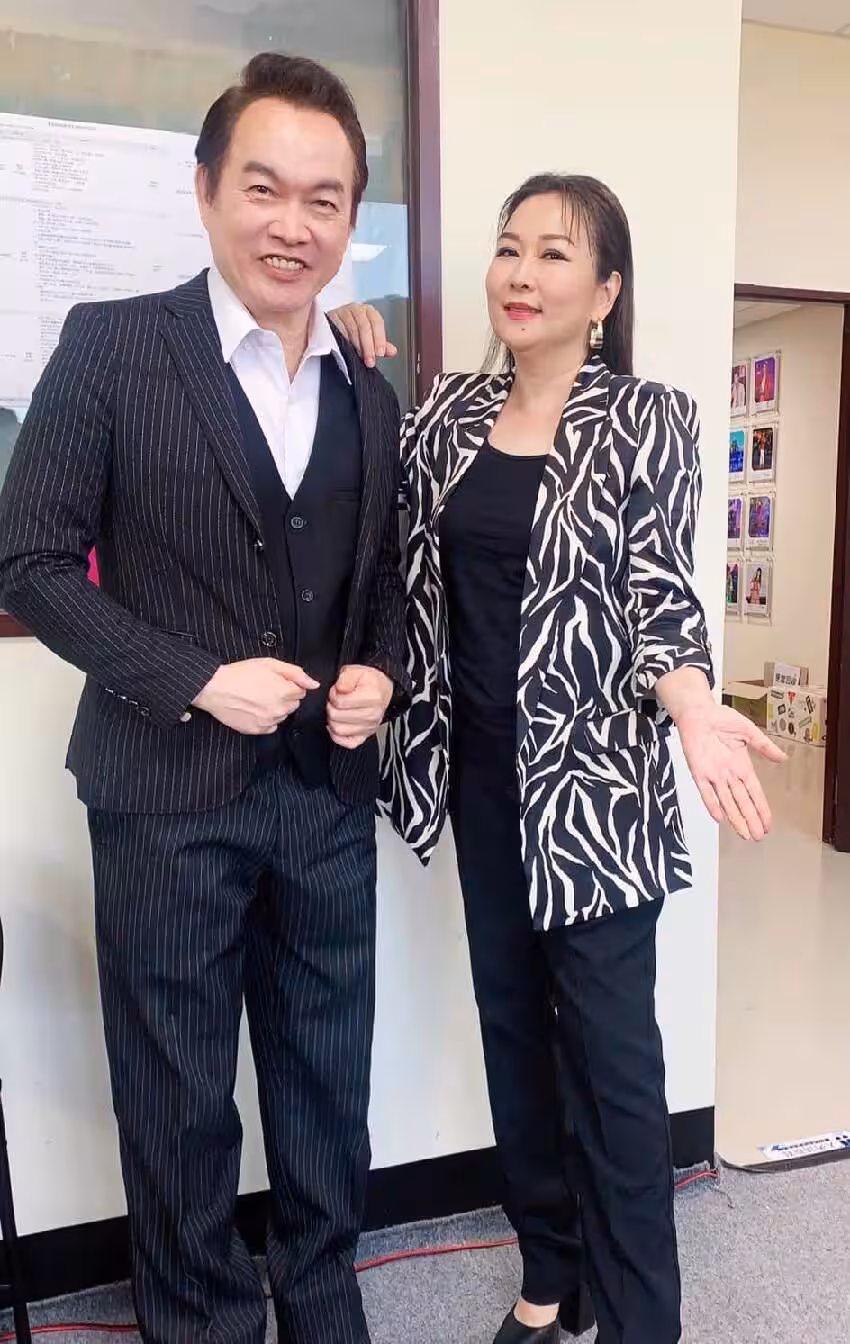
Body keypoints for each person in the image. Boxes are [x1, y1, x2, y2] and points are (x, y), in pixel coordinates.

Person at [331, 173, 785, 1344]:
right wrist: (343, 344)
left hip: (595, 797)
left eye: (553, 254)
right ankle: (551, 1274)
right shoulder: (443, 416)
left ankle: (641, 1321)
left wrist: (692, 704)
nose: (520, 275)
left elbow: (657, 593)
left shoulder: (647, 418)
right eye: (509, 248)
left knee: (616, 1076)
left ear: (605, 291)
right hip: (479, 785)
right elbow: (395, 571)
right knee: (514, 1041)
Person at [0, 53, 408, 1344]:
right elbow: (28, 561)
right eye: (264, 188)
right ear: (205, 190)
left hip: (324, 802)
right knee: (177, 1103)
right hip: (163, 798)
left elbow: (384, 583)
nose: (293, 224)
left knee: (326, 1091)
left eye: (324, 199)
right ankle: (202, 1326)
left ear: (351, 218)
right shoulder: (113, 345)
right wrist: (195, 680)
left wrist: (379, 673)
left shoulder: (369, 384)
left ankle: (324, 1310)